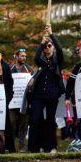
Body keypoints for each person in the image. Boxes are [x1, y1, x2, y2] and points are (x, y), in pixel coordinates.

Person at [28, 25, 65, 153]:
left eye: (49, 46)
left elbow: (60, 50)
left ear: (53, 47)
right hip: (38, 95)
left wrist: (51, 35)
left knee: (50, 121)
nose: (47, 48)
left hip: (52, 95)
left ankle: (51, 146)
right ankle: (33, 147)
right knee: (35, 119)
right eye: (45, 46)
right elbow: (36, 56)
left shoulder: (57, 61)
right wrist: (42, 42)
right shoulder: (41, 62)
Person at [10, 49, 34, 153]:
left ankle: (21, 147)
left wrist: (31, 85)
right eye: (22, 56)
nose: (24, 58)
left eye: (25, 56)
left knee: (23, 125)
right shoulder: (9, 69)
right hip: (12, 102)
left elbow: (33, 83)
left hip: (24, 102)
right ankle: (10, 146)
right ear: (16, 56)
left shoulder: (29, 70)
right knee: (11, 124)